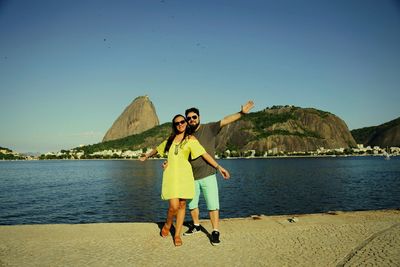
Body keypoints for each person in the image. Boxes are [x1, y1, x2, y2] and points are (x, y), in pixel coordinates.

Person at [139, 114, 230, 247]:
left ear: (186, 123)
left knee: (182, 205)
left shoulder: (190, 139)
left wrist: (219, 167)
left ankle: (177, 234)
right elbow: (158, 149)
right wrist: (146, 156)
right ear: (174, 125)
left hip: (185, 176)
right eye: (177, 123)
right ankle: (168, 223)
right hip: (171, 176)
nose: (180, 124)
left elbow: (204, 154)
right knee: (173, 206)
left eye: (182, 121)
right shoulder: (170, 139)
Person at [184, 100, 254, 245]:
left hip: (208, 174)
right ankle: (196, 226)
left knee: (212, 204)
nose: (191, 120)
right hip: (191, 176)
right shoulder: (186, 135)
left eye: (194, 117)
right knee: (192, 204)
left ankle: (215, 231)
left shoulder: (208, 128)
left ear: (199, 117)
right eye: (189, 118)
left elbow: (225, 120)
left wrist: (241, 113)